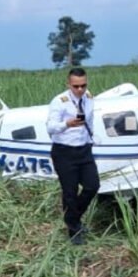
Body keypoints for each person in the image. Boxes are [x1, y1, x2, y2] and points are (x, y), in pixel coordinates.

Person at [46, 67, 99, 246]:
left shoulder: (89, 97)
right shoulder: (59, 102)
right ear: (68, 84)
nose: (80, 89)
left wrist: (91, 139)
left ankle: (72, 218)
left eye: (83, 85)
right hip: (64, 151)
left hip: (84, 149)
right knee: (70, 192)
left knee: (92, 186)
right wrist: (67, 124)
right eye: (76, 86)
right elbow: (50, 127)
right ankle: (74, 230)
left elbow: (90, 120)